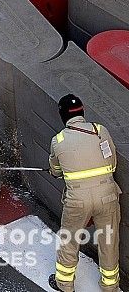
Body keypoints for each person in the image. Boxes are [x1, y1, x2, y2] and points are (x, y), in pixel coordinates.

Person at [48, 94, 121, 291]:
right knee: (109, 240)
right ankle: (110, 286)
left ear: (63, 116)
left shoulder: (59, 140)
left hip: (77, 200)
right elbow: (112, 163)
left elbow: (56, 171)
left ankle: (64, 284)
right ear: (82, 112)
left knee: (69, 240)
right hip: (107, 194)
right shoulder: (100, 130)